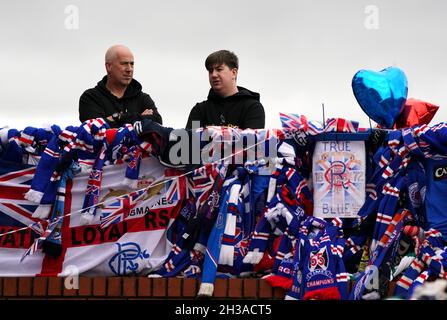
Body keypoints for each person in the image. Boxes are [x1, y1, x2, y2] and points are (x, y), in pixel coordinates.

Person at [79, 45, 162, 128]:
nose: (129, 69)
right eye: (124, 64)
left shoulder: (143, 98)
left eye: (132, 64)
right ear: (108, 66)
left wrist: (117, 117)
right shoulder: (90, 98)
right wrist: (141, 119)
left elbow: (157, 122)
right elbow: (96, 129)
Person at [186, 50, 265, 130]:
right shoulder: (200, 110)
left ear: (234, 73)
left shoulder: (252, 108)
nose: (213, 75)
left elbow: (251, 141)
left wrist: (209, 133)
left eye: (219, 69)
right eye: (210, 71)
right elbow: (191, 140)